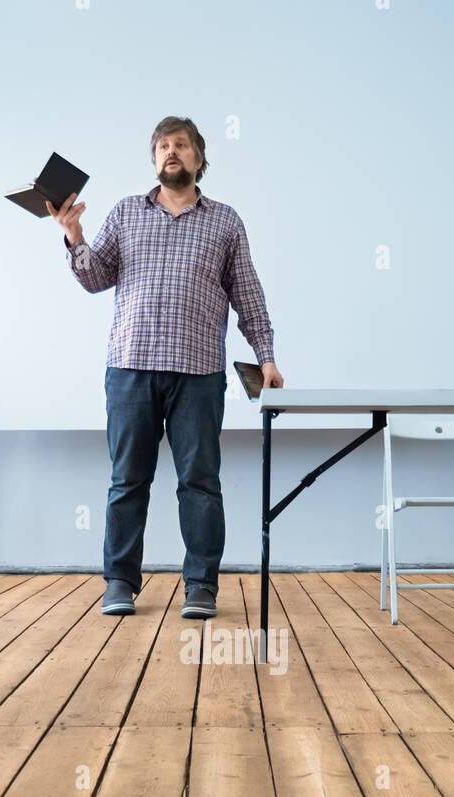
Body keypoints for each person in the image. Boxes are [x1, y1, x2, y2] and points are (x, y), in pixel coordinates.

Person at [47, 116, 283, 618]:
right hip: (131, 369)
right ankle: (118, 583)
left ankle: (201, 585)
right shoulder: (127, 212)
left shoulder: (225, 221)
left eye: (181, 145)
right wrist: (74, 236)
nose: (170, 152)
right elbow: (96, 278)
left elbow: (249, 295)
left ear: (199, 157)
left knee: (199, 482)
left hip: (198, 373)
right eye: (162, 146)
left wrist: (266, 358)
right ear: (154, 158)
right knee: (127, 479)